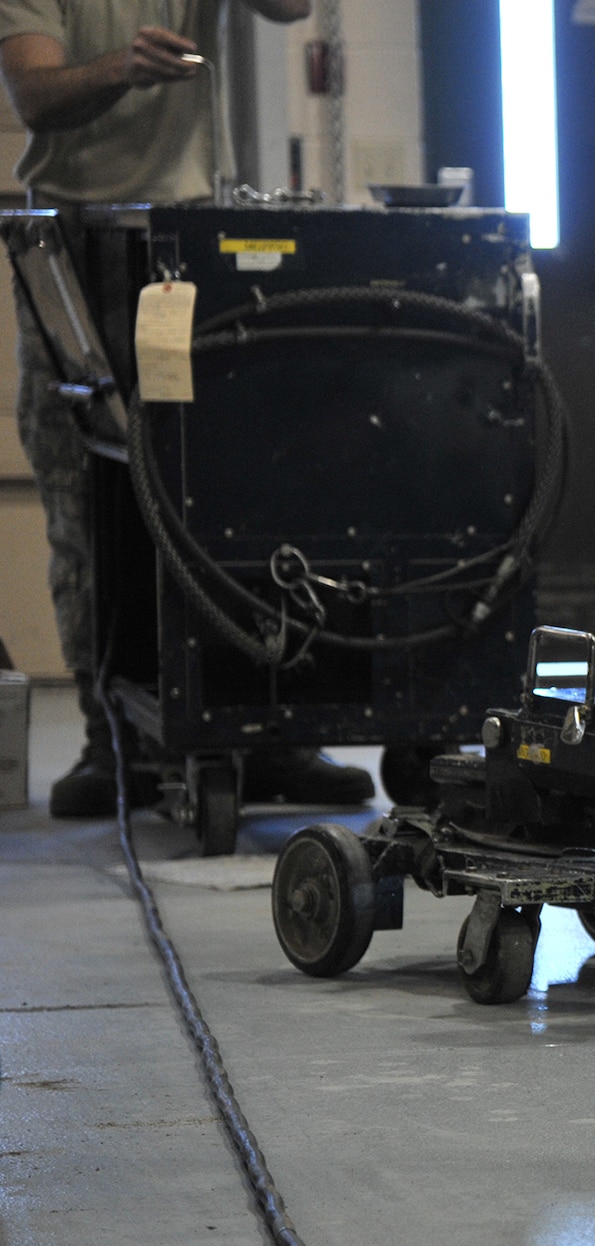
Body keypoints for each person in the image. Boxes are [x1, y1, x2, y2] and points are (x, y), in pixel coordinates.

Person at [0, 0, 376, 815]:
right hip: (74, 243)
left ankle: (271, 730)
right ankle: (115, 738)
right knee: (86, 504)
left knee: (242, 494)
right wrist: (121, 68)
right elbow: (34, 92)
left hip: (192, 242)